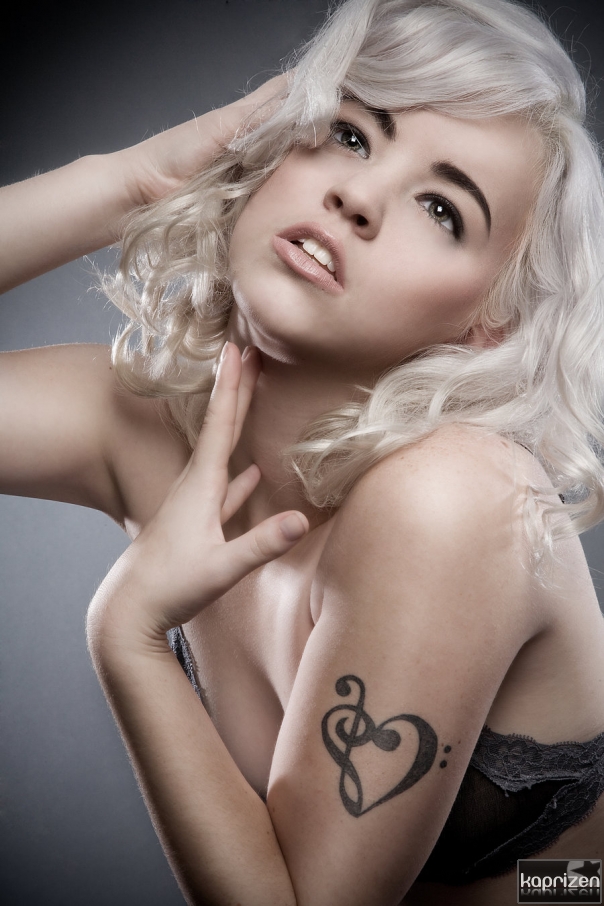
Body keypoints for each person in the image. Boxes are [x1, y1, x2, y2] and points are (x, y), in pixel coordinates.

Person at [2, 0, 604, 903]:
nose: (358, 198)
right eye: (351, 134)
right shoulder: (140, 424)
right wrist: (126, 182)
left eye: (441, 208)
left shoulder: (454, 494)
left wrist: (128, 635)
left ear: (490, 320)